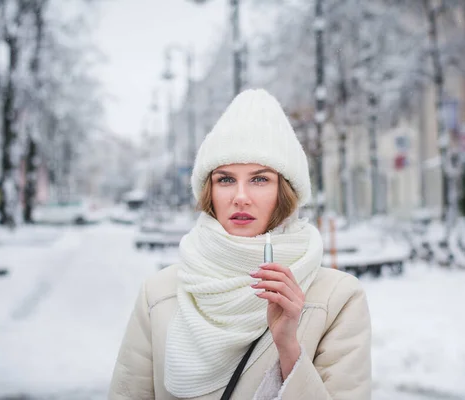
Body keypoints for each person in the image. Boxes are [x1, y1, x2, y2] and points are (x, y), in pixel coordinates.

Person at [109, 89, 372, 399]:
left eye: (259, 179)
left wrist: (288, 347)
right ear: (209, 190)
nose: (241, 196)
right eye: (225, 179)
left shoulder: (336, 299)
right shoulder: (159, 294)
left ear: (285, 191)